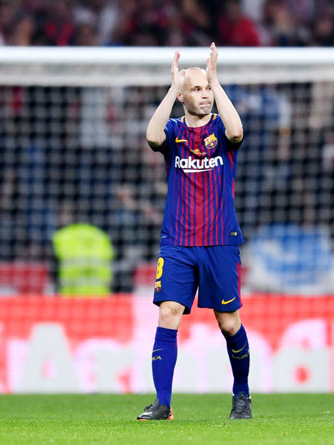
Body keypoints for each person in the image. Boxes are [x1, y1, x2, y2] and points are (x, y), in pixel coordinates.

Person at [136, 43, 250, 421]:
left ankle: (241, 394)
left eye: (206, 89)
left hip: (219, 241)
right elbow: (151, 137)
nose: (204, 95)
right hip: (178, 243)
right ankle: (162, 403)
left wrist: (217, 82)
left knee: (228, 322)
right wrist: (172, 88)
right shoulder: (173, 131)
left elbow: (238, 131)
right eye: (197, 89)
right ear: (183, 96)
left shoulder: (220, 127)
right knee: (168, 313)